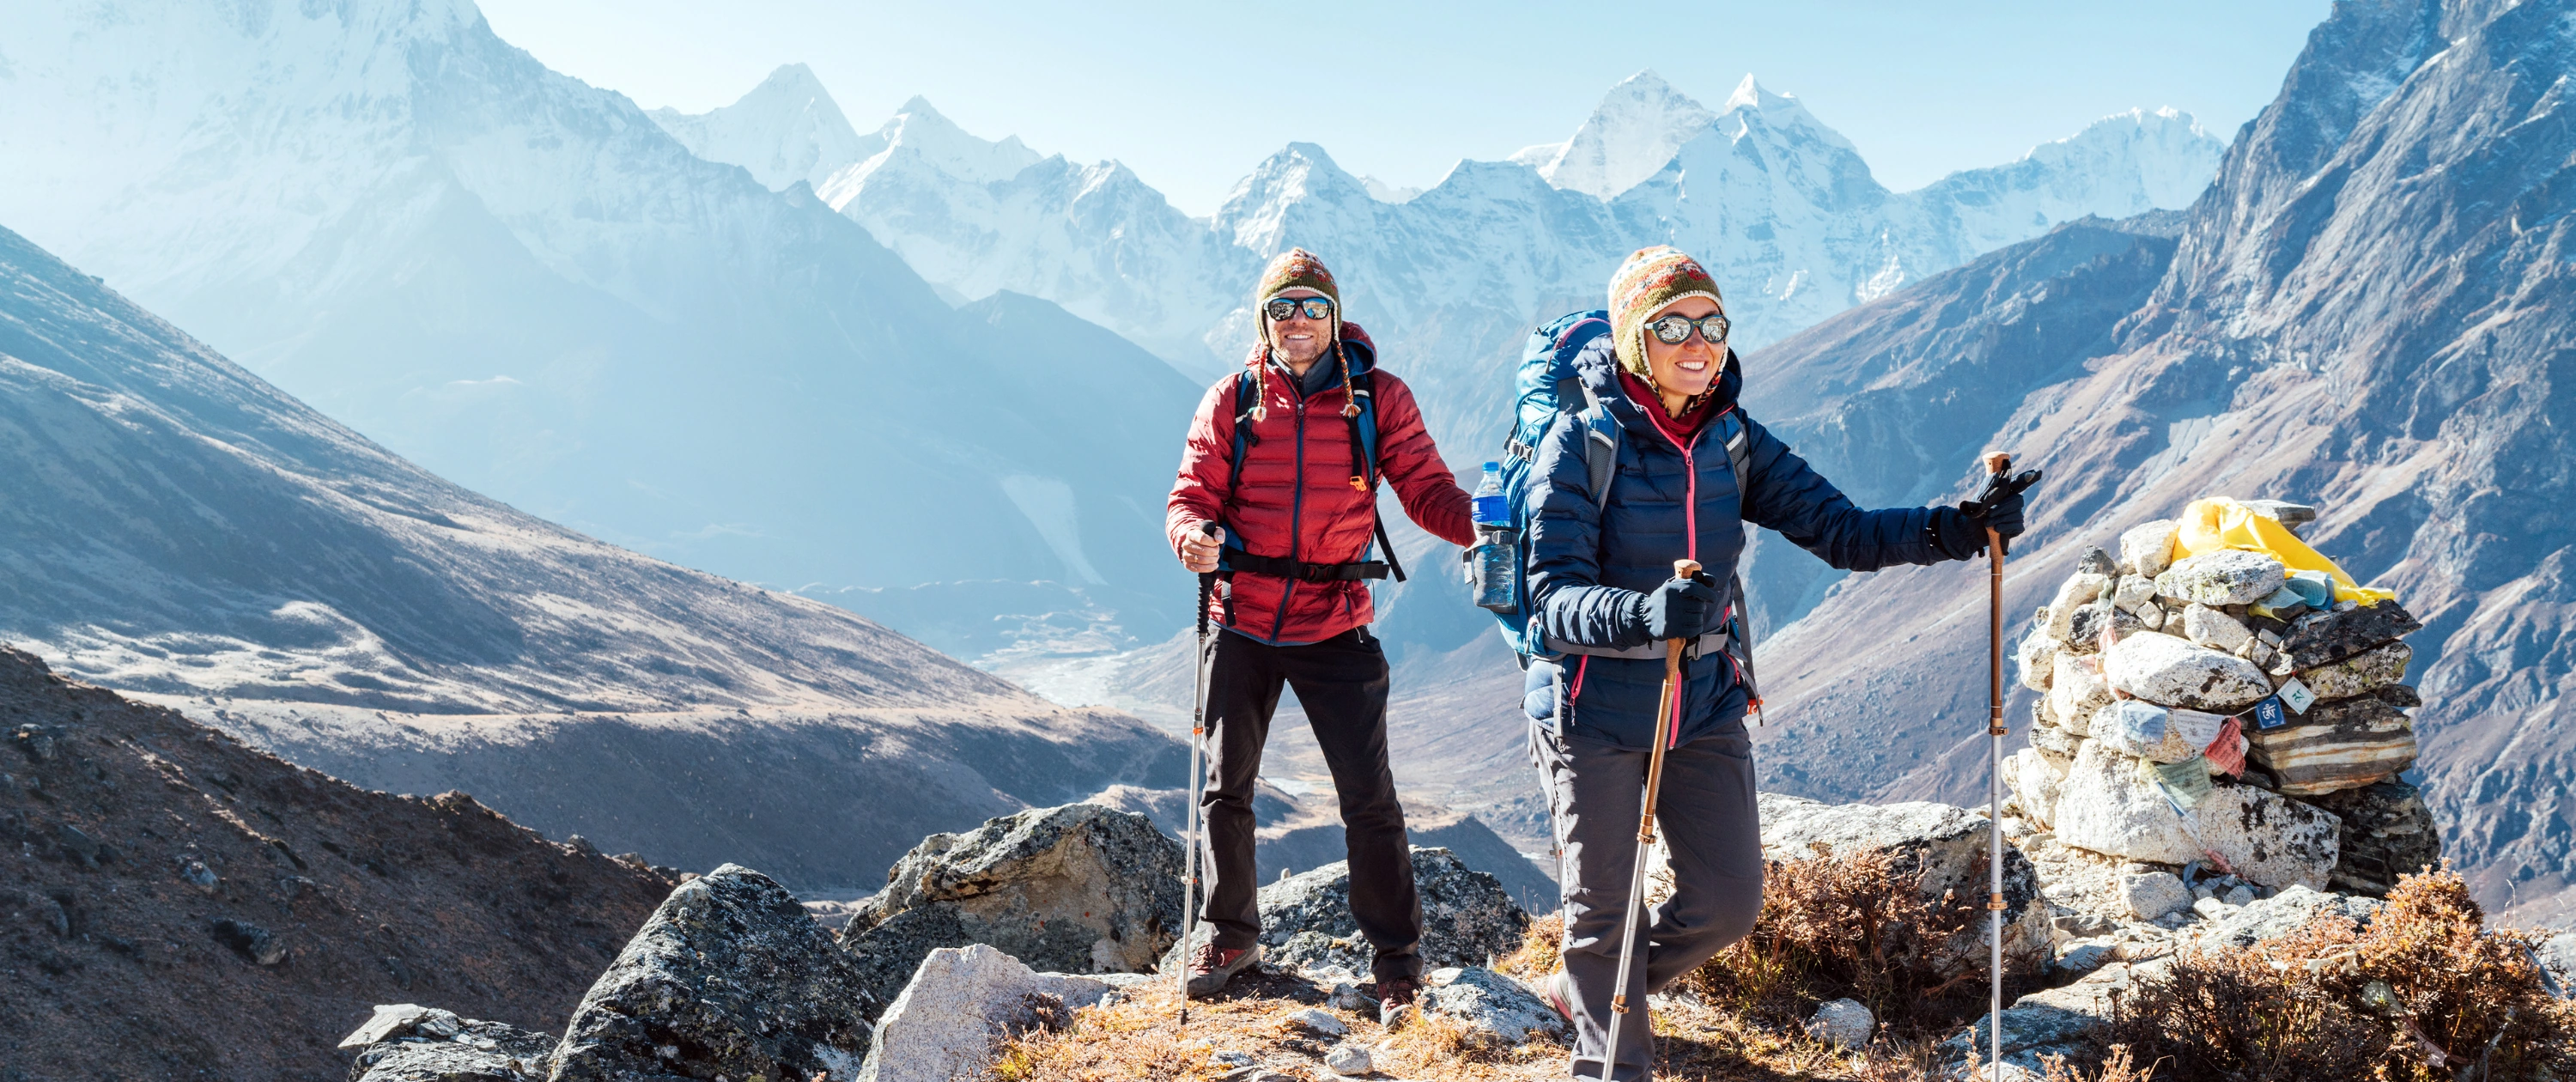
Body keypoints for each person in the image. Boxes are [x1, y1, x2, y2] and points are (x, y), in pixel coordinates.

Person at [1520, 246, 2032, 1079]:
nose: (1698, 343)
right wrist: (1646, 614)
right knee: (1603, 916)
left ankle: (1597, 991)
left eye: (1712, 324)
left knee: (1728, 903)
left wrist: (1956, 528)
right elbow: (1550, 602)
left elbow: (1844, 530)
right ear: (1633, 339)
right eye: (1673, 326)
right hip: (1592, 709)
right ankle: (1610, 1056)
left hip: (1702, 701)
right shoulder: (1579, 445)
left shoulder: (1731, 438)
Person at [1165, 248, 1476, 1011]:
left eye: (1312, 306)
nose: (1297, 320)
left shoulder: (1378, 399)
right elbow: (1192, 493)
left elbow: (1427, 490)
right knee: (1225, 790)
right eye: (1282, 308)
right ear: (1263, 320)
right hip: (1240, 616)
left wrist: (1489, 527)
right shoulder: (1233, 399)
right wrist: (1190, 536)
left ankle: (1397, 962)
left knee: (1369, 798)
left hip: (1335, 620)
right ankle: (1230, 936)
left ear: (1335, 317)